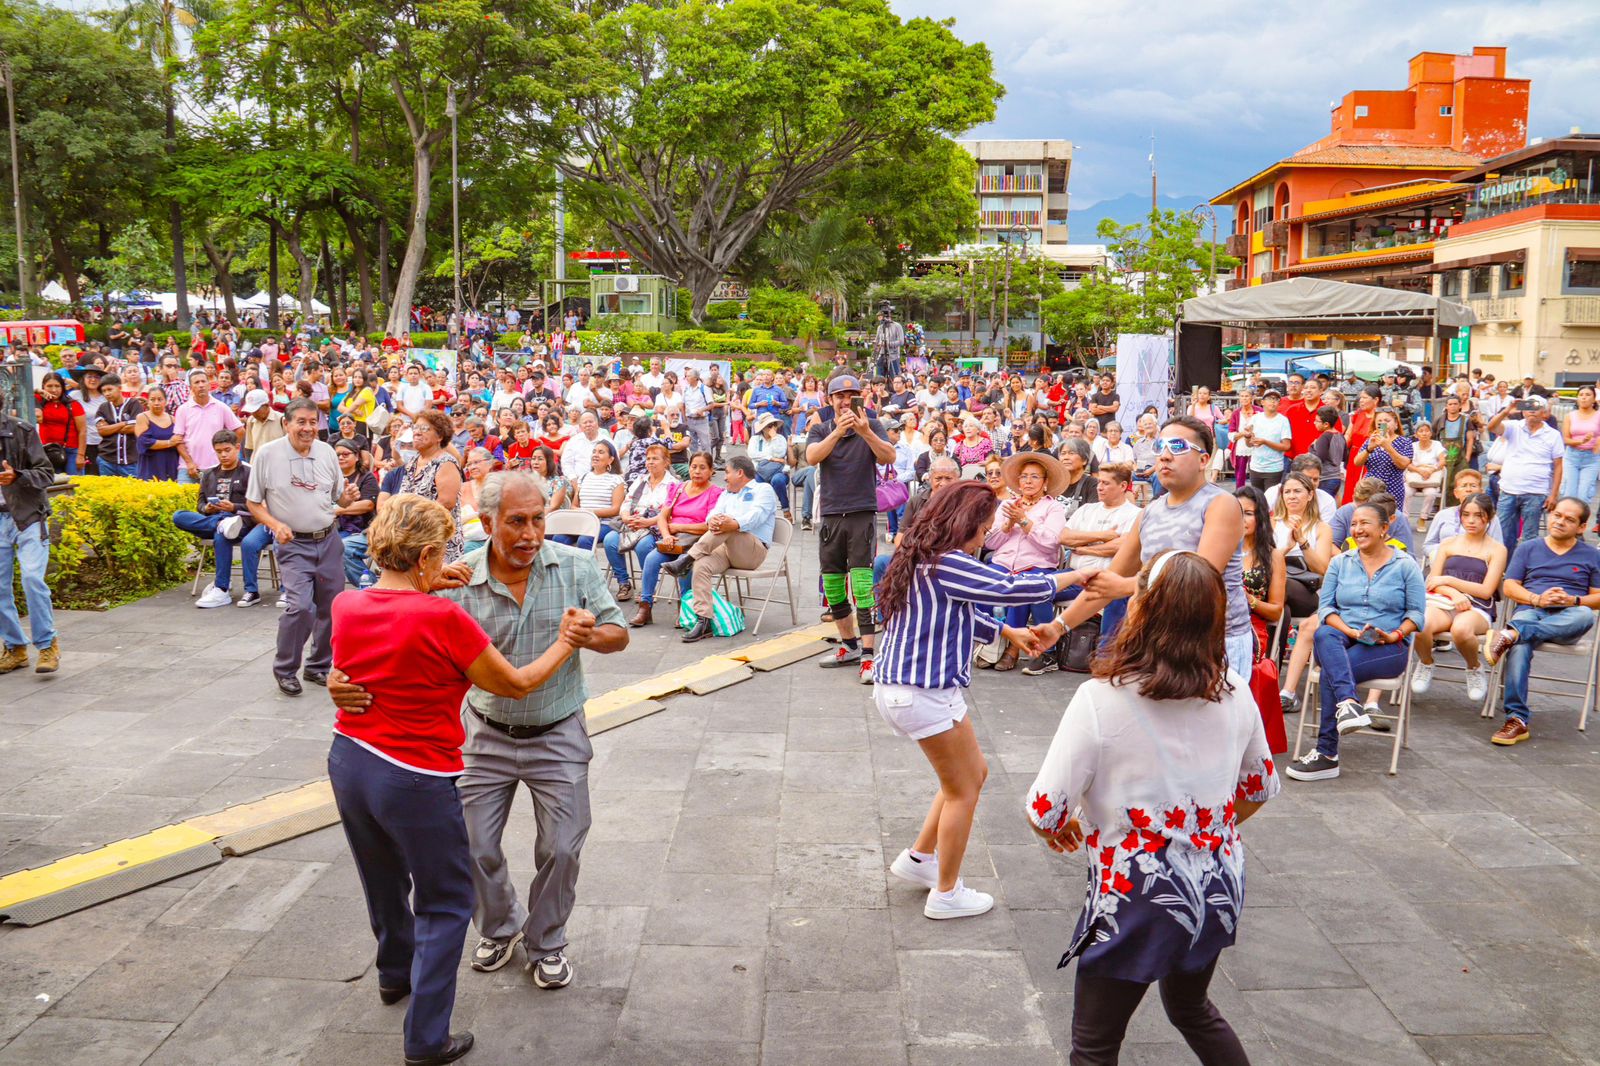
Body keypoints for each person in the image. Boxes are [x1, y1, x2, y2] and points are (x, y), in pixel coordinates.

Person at [332, 471, 627, 992]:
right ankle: (500, 927)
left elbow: (617, 632)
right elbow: (392, 626)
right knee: (472, 846)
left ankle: (547, 941)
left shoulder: (576, 566)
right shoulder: (456, 577)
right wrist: (342, 677)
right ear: (487, 523)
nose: (530, 534)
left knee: (562, 847)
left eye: (538, 520)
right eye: (516, 522)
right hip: (482, 735)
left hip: (558, 729)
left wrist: (589, 636)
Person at [1026, 550, 1278, 1064]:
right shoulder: (1233, 690)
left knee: (1094, 1047)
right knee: (1192, 1009)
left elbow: (1045, 810)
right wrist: (1205, 830)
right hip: (1215, 884)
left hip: (1135, 895)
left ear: (1141, 608)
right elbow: (1256, 788)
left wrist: (1060, 829)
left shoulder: (1102, 697)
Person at [876, 481, 1074, 919]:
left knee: (970, 776)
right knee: (963, 789)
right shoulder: (949, 562)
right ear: (965, 524)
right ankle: (946, 894)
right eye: (983, 530)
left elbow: (958, 612)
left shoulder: (921, 555)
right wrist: (1075, 576)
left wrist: (1006, 632)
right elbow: (1007, 588)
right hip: (922, 691)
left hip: (909, 688)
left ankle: (920, 859)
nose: (983, 539)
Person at [1033, 415, 1251, 677]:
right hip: (1159, 639)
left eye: (1178, 446)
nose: (1165, 456)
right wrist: (1058, 627)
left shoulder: (1220, 504)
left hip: (1214, 641)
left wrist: (1127, 586)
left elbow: (1200, 577)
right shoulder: (1150, 512)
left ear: (1203, 460)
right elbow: (1109, 581)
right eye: (1160, 447)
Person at [1285, 500, 1426, 782]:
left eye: (1365, 523)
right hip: (1344, 634)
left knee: (1334, 669)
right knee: (1324, 633)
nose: (1357, 529)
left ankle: (1327, 754)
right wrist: (1350, 631)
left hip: (1387, 643)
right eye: (1354, 524)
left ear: (1384, 529)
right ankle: (1349, 703)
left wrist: (1395, 634)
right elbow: (1326, 609)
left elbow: (1416, 615)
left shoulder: (1404, 565)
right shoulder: (1341, 563)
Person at [246, 398, 350, 697]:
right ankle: (286, 670)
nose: (307, 428)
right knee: (300, 607)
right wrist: (275, 525)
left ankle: (318, 665)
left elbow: (339, 498)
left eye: (312, 422)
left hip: (328, 540)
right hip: (293, 544)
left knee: (331, 607)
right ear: (286, 424)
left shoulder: (327, 452)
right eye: (300, 422)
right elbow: (253, 502)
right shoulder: (267, 454)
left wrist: (349, 497)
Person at [1483, 496, 1600, 746]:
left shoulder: (1592, 555)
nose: (1560, 521)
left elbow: (1597, 597)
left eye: (1569, 519)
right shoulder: (1528, 548)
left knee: (1584, 615)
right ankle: (1516, 720)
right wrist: (1537, 599)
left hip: (1568, 617)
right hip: (1532, 609)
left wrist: (1573, 600)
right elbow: (1510, 586)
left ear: (1581, 527)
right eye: (1557, 515)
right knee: (1520, 646)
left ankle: (1511, 633)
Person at [807, 374, 896, 681]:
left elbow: (888, 456)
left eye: (852, 395)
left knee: (862, 586)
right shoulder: (821, 428)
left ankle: (869, 655)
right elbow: (811, 457)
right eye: (840, 396)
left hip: (861, 512)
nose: (846, 401)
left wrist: (865, 431)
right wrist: (837, 431)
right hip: (832, 513)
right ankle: (849, 645)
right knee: (832, 585)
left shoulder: (872, 423)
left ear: (861, 397)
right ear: (829, 400)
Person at [661, 456, 778, 641]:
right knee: (701, 566)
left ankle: (687, 559)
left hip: (752, 551)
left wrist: (733, 523)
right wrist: (713, 520)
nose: (724, 477)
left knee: (728, 526)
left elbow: (757, 516)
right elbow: (713, 513)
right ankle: (704, 621)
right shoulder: (727, 493)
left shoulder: (763, 489)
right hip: (726, 547)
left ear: (740, 473)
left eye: (727, 473)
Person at [1411, 492, 1505, 701]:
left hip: (1478, 606)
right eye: (1466, 515)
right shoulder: (1448, 544)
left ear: (1489, 517)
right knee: (1419, 623)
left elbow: (1486, 590)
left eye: (1478, 515)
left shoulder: (1497, 550)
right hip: (1444, 601)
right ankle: (1426, 662)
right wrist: (1453, 593)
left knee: (1461, 630)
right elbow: (1432, 581)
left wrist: (1449, 580)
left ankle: (1474, 667)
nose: (1471, 520)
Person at [983, 452, 1069, 673]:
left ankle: (1013, 648)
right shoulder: (1007, 505)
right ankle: (991, 643)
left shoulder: (1053, 508)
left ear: (1045, 482)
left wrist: (1024, 521)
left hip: (1037, 564)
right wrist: (1007, 525)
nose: (1028, 481)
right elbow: (990, 543)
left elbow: (1051, 543)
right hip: (1003, 563)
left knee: (1025, 583)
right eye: (1024, 476)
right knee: (985, 581)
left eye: (1034, 477)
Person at [177, 431, 274, 609]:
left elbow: (259, 506)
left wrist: (234, 507)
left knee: (222, 534)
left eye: (227, 450)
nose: (223, 455)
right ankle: (220, 523)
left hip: (242, 522)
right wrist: (207, 509)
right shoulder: (209, 474)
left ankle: (221, 588)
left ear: (237, 448)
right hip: (214, 519)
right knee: (179, 516)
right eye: (219, 451)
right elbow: (200, 504)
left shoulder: (249, 472)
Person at [0, 400, 61, 674]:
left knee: (32, 579)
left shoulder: (22, 431)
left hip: (28, 516)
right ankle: (15, 648)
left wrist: (18, 476)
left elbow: (46, 473)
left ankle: (47, 645)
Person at [628, 452, 721, 627]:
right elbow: (663, 517)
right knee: (651, 559)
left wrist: (678, 527)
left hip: (697, 544)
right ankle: (645, 607)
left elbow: (709, 526)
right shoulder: (678, 489)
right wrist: (666, 536)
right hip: (673, 541)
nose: (697, 471)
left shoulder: (715, 493)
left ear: (711, 471)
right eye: (694, 467)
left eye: (702, 468)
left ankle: (685, 608)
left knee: (684, 562)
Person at [603, 442, 678, 601]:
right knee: (610, 540)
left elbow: (670, 513)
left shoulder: (673, 484)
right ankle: (624, 582)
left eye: (655, 459)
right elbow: (627, 502)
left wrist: (648, 522)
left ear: (666, 462)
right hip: (632, 524)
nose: (650, 462)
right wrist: (625, 517)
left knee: (644, 545)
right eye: (648, 458)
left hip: (655, 527)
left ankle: (647, 587)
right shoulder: (641, 480)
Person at [1486, 395, 1564, 545]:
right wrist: (1506, 411)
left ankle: (1526, 561)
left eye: (1536, 407)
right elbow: (1491, 427)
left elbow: (1558, 466)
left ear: (1544, 412)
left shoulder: (1553, 435)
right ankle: (1505, 560)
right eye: (1528, 407)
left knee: (1529, 537)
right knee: (1502, 535)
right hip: (1509, 489)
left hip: (1536, 492)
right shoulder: (1514, 427)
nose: (1532, 411)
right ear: (1523, 411)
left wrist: (1553, 494)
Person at [401, 410, 466, 563]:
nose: (417, 432)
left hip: (436, 542)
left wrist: (411, 523)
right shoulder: (413, 462)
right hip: (411, 539)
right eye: (415, 427)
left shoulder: (446, 462)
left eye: (424, 428)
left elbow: (446, 503)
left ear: (440, 436)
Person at [173, 368, 244, 485]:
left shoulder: (221, 407)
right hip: (188, 469)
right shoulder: (183, 410)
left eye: (203, 381)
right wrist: (189, 462)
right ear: (191, 387)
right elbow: (178, 439)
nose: (201, 385)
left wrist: (229, 451)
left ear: (209, 384)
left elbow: (240, 430)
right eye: (196, 382)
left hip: (216, 467)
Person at [335, 440, 382, 586]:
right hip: (333, 527)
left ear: (356, 457)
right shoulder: (331, 478)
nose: (340, 457)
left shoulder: (366, 477)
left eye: (345, 454)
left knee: (338, 547)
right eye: (337, 455)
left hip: (358, 528)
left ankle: (369, 587)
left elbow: (368, 504)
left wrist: (337, 510)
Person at [1352, 407, 1412, 505]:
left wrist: (1387, 446)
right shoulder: (1371, 440)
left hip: (1393, 487)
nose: (1383, 424)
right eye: (1379, 421)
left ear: (1396, 424)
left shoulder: (1404, 442)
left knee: (1390, 513)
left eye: (1387, 421)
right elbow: (1357, 462)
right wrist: (1369, 449)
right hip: (1370, 487)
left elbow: (1403, 464)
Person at [92, 375, 144, 478]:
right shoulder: (103, 407)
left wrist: (110, 427)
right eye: (104, 391)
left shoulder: (134, 404)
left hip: (130, 461)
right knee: (107, 488)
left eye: (109, 389)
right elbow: (102, 431)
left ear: (119, 388)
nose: (107, 393)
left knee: (132, 487)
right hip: (106, 460)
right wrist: (124, 423)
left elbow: (133, 428)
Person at [34, 373, 85, 475]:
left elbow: (82, 431)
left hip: (71, 450)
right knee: (53, 482)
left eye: (57, 386)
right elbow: (22, 392)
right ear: (43, 386)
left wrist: (81, 455)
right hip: (48, 450)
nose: (54, 390)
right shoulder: (39, 400)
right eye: (49, 386)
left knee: (74, 481)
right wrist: (38, 391)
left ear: (63, 387)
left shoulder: (73, 404)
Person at [1244, 389, 1291, 492]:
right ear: (1262, 402)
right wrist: (1247, 437)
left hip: (1274, 468)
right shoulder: (1255, 418)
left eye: (1276, 399)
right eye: (1269, 398)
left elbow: (1286, 446)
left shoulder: (1283, 420)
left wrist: (1265, 442)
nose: (1273, 401)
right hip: (1255, 467)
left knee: (1271, 499)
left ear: (1279, 403)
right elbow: (1249, 444)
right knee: (1257, 498)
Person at [1561, 385, 1600, 508]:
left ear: (1594, 399)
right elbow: (1566, 439)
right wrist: (1581, 442)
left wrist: (1597, 446)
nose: (1584, 397)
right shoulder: (1570, 416)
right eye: (1581, 395)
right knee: (1569, 494)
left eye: (1588, 395)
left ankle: (1580, 520)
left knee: (1584, 495)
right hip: (1572, 456)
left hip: (1591, 458)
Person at [1433, 392, 1477, 503]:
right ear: (1446, 406)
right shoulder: (1440, 420)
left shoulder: (1466, 420)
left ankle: (1461, 504)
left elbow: (1470, 439)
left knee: (1460, 482)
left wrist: (1467, 456)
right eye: (1450, 404)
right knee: (1442, 482)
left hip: (1460, 458)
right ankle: (1439, 504)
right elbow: (1433, 439)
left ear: (1460, 405)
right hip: (1443, 458)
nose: (1453, 406)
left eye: (1455, 404)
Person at [135, 385, 182, 481]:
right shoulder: (142, 417)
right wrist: (169, 443)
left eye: (160, 399)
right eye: (152, 400)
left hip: (170, 464)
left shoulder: (173, 419)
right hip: (150, 466)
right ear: (148, 402)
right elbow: (144, 442)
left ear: (166, 401)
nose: (156, 403)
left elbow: (179, 441)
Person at [749, 413, 792, 518]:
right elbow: (752, 454)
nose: (772, 428)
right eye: (769, 425)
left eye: (774, 425)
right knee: (755, 483)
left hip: (778, 471)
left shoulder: (780, 438)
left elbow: (780, 453)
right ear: (763, 428)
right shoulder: (755, 439)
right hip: (760, 471)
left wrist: (774, 438)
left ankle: (786, 509)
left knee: (778, 480)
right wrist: (771, 458)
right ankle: (758, 513)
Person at [1308, 406, 1347, 499]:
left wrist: (1312, 447)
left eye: (1317, 421)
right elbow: (1345, 457)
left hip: (1326, 478)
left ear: (1326, 424)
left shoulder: (1325, 437)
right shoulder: (1340, 435)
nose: (1314, 423)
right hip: (1337, 477)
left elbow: (1319, 459)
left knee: (1323, 503)